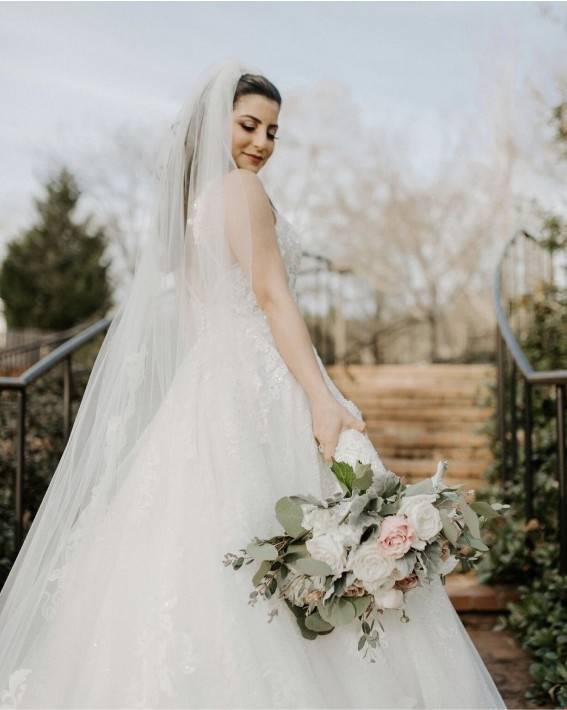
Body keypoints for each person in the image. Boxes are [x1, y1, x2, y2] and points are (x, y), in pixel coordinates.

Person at [0, 57, 507, 709]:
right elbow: (271, 298)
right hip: (258, 383)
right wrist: (321, 399)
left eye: (272, 132)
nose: (261, 144)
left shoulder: (195, 207)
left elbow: (197, 309)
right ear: (216, 126)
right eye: (248, 125)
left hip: (208, 388)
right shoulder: (240, 192)